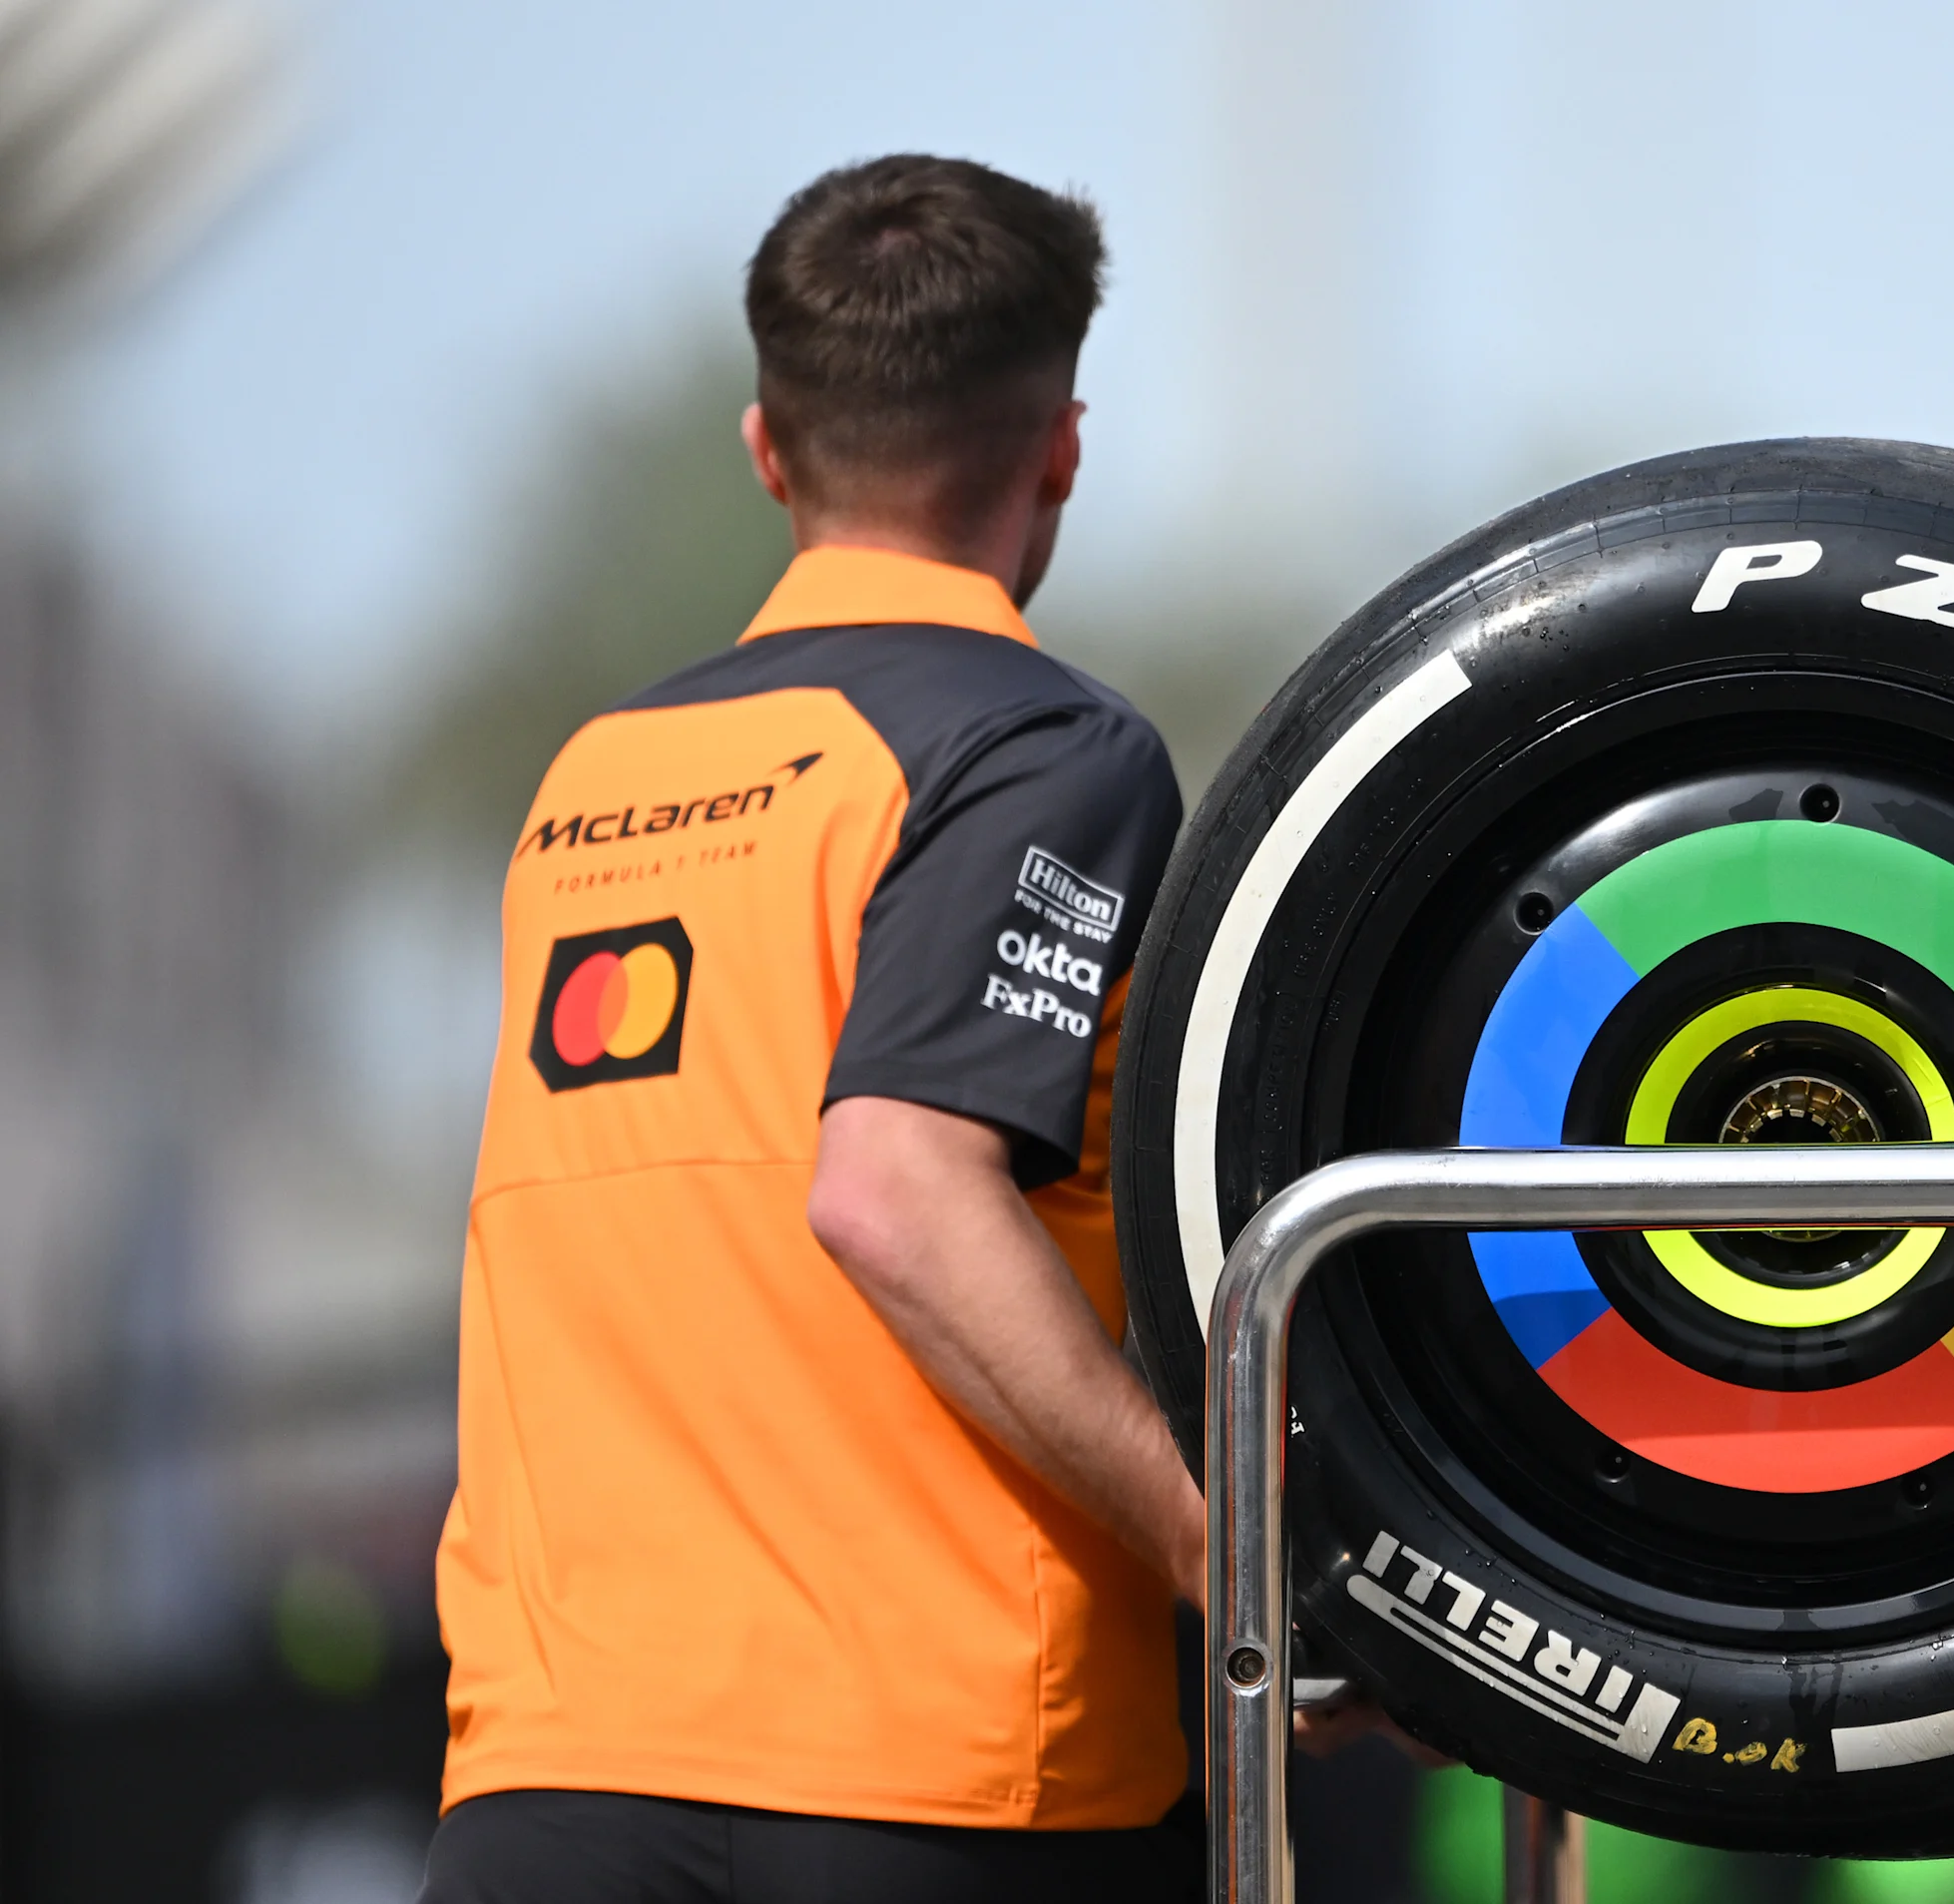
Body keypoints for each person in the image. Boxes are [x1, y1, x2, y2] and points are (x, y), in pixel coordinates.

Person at [420, 155, 1208, 1902]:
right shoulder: (1043, 749)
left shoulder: (592, 780)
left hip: (550, 1784)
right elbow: (895, 1186)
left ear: (767, 450)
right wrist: (1218, 1549)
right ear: (1059, 453)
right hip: (939, 1788)